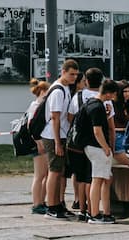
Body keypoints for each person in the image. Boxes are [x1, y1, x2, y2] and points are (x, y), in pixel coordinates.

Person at [39, 60, 81, 219]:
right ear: (63, 72)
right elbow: (55, 118)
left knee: (59, 171)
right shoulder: (57, 91)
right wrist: (57, 142)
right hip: (53, 135)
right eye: (71, 74)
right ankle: (51, 206)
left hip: (60, 134)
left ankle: (57, 204)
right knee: (55, 171)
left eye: (76, 75)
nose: (74, 77)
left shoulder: (65, 88)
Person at [78, 80, 123, 224]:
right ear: (109, 93)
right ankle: (95, 214)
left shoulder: (90, 103)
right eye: (114, 94)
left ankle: (96, 212)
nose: (115, 97)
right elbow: (97, 130)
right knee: (97, 180)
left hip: (89, 146)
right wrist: (106, 147)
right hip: (96, 147)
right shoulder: (98, 107)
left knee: (101, 178)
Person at [66, 69, 102, 221]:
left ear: (86, 80)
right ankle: (93, 209)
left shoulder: (78, 96)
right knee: (92, 177)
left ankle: (82, 209)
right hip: (96, 143)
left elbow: (70, 117)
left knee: (80, 177)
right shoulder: (103, 99)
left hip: (78, 142)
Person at [26, 79, 51, 213]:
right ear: (42, 92)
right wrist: (38, 142)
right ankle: (37, 204)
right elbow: (32, 126)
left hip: (42, 141)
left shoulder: (39, 105)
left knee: (45, 174)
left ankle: (41, 201)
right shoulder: (36, 106)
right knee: (39, 175)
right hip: (39, 143)